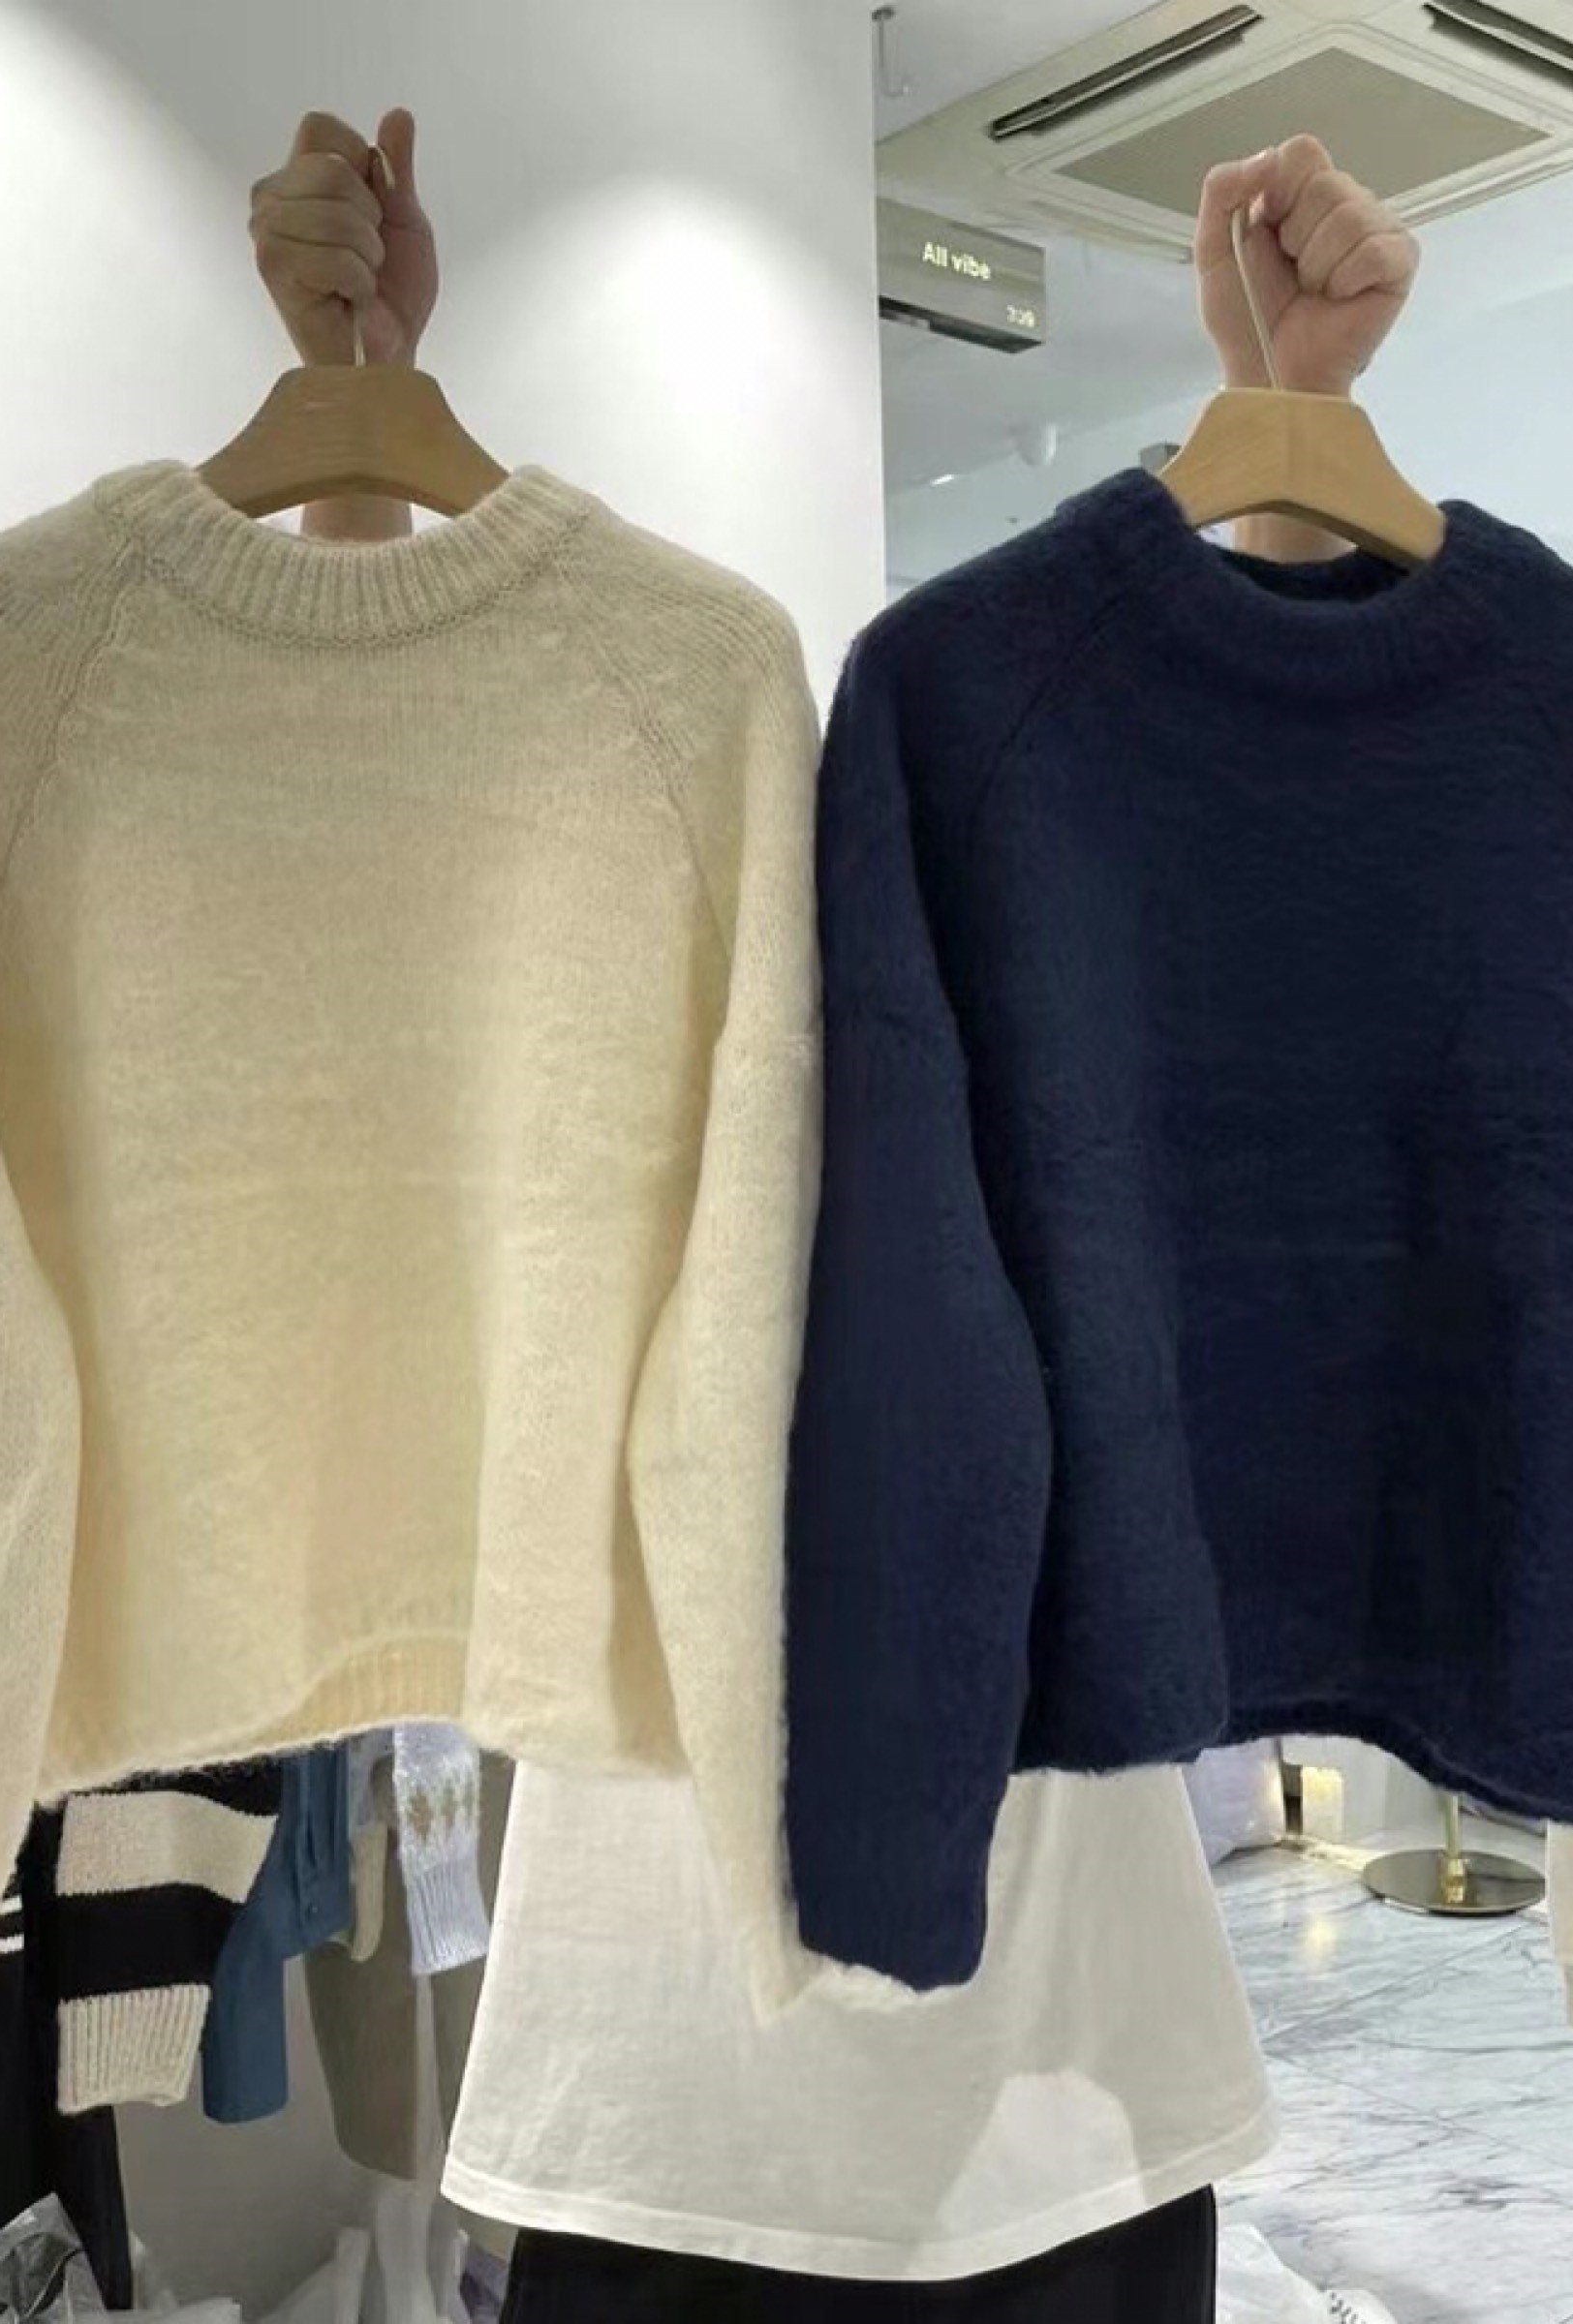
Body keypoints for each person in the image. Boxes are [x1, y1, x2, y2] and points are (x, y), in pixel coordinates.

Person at [246, 110, 1422, 2324]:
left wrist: (1288, 429)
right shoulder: (585, 1073)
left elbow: (1272, 833)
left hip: (1059, 2101)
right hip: (664, 2125)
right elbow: (368, 875)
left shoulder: (1082, 1047)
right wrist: (357, 439)